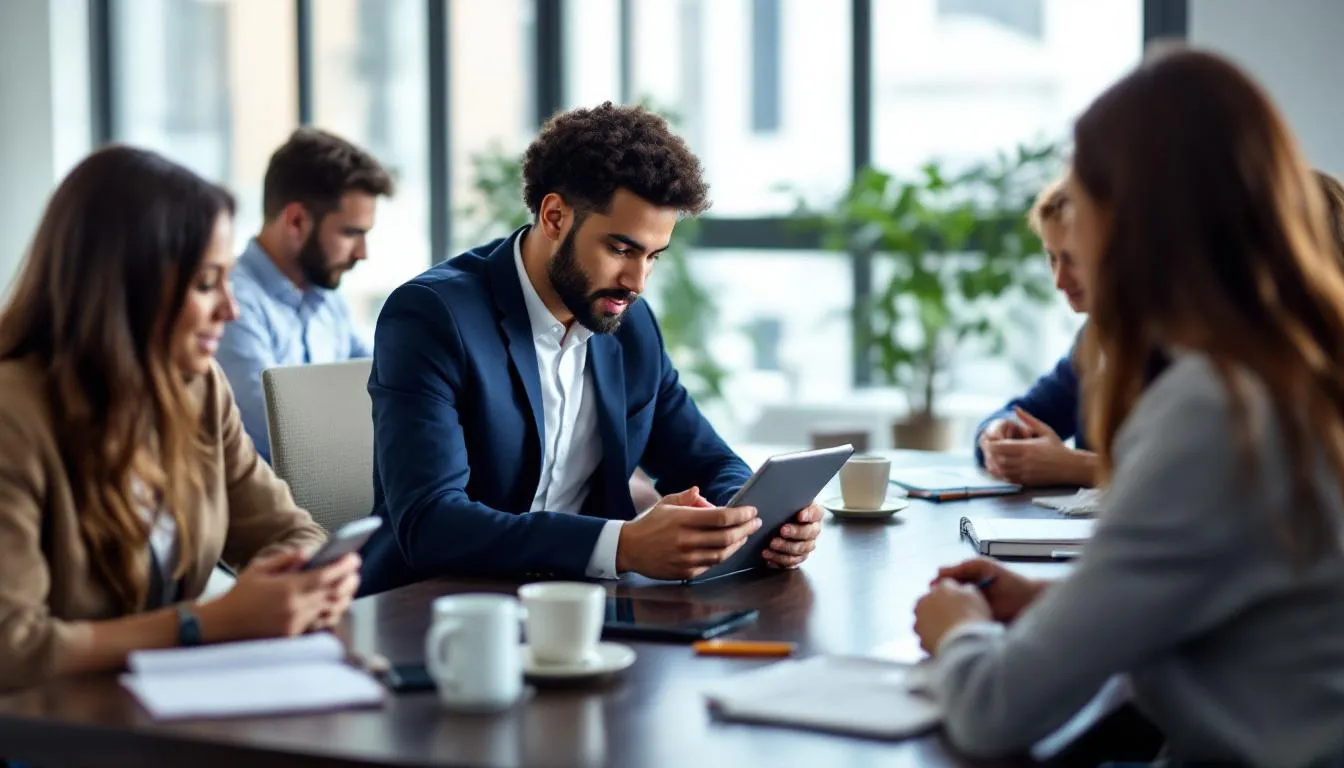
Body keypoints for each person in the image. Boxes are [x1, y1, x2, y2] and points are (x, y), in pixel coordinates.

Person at [912, 46, 1344, 766]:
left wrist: (959, 628)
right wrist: (1054, 607)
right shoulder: (1298, 371)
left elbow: (996, 710)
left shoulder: (1218, 409)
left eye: (1080, 203)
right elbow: (1245, 616)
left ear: (1129, 217)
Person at [357, 102, 822, 595]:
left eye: (653, 256)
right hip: (439, 609)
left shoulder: (628, 323)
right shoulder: (433, 317)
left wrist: (753, 520)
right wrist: (622, 545)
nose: (637, 281)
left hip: (583, 608)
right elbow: (431, 523)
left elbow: (708, 462)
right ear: (555, 216)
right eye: (621, 249)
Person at [0, 146, 361, 693]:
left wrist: (307, 577)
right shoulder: (14, 415)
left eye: (229, 280)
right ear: (125, 289)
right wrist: (207, 624)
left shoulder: (197, 390)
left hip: (156, 713)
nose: (230, 310)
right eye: (204, 284)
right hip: (46, 731)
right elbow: (12, 646)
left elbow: (284, 528)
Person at [215, 127, 395, 461]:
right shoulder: (229, 309)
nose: (362, 253)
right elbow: (288, 440)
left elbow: (390, 387)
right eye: (351, 233)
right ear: (296, 221)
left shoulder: (329, 301)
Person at [975, 176, 1097, 488]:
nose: (1058, 280)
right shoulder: (1095, 339)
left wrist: (1075, 467)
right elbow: (1025, 411)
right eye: (1052, 258)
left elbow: (1196, 480)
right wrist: (999, 432)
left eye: (1072, 258)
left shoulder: (1183, 346)